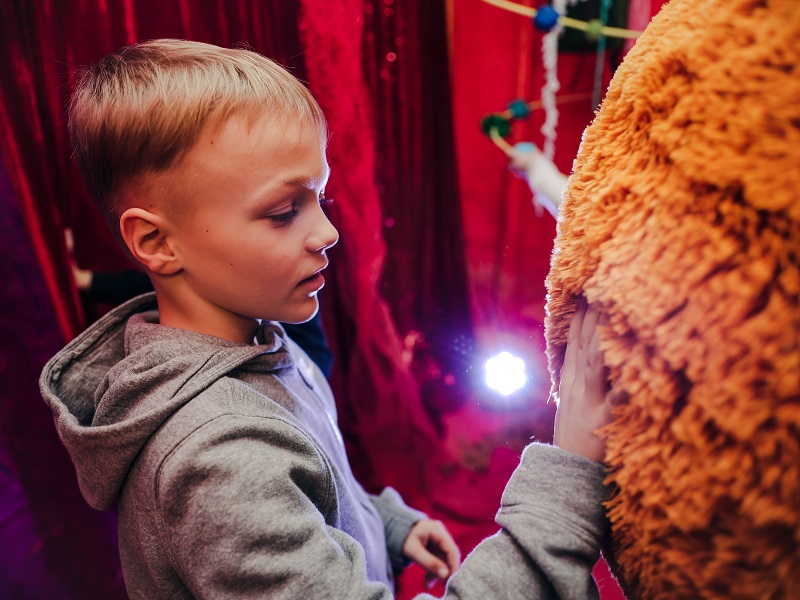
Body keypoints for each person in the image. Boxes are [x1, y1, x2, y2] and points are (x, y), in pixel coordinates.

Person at [40, 39, 616, 599]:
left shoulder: (259, 339)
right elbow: (262, 477)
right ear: (157, 241)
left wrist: (387, 525)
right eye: (283, 211)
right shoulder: (220, 461)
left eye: (319, 198)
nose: (328, 233)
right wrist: (566, 479)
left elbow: (310, 477)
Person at [507, 142, 568, 219]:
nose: (511, 163)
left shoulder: (539, 166)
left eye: (513, 158)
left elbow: (559, 195)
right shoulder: (533, 172)